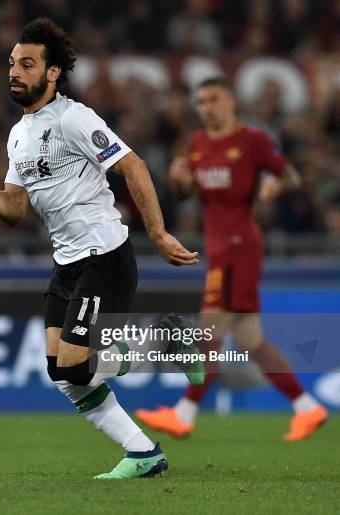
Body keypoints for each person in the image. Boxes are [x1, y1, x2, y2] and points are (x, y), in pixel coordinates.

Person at [0, 18, 202, 479]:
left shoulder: (74, 117)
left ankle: (164, 342)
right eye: (12, 63)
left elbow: (134, 167)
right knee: (64, 377)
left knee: (74, 366)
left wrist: (159, 233)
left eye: (27, 64)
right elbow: (13, 208)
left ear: (52, 73)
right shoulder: (19, 135)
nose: (15, 72)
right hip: (67, 264)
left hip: (104, 256)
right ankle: (143, 454)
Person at [136, 77, 329, 442]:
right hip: (220, 247)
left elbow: (291, 176)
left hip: (239, 248)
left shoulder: (252, 141)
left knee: (210, 334)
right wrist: (177, 179)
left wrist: (275, 185)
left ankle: (184, 414)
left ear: (229, 103)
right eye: (201, 101)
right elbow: (185, 193)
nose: (205, 107)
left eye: (212, 99)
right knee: (250, 339)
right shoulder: (197, 144)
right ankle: (307, 408)